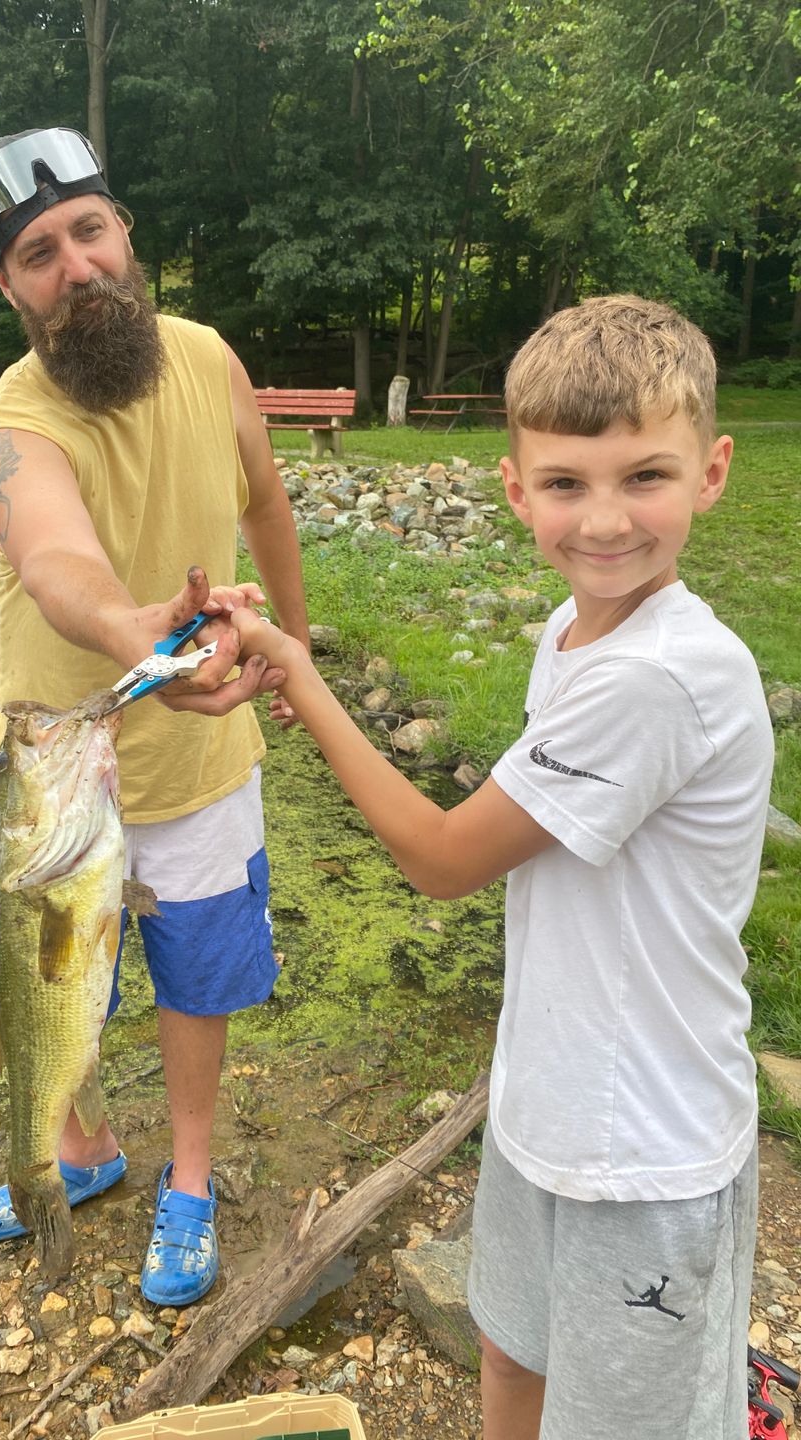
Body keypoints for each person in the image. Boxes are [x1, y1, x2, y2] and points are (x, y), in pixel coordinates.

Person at [230, 295, 773, 1439]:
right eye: (568, 484)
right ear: (517, 488)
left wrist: (303, 678)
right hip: (546, 1107)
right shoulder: (574, 637)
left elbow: (439, 858)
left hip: (648, 1154)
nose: (607, 520)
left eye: (647, 478)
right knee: (514, 1354)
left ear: (713, 473)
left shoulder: (662, 676)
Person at [0, 126, 309, 1308]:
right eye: (39, 252)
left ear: (126, 233)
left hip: (204, 763)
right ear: (10, 286)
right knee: (51, 988)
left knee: (198, 982)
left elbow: (269, 507)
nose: (79, 266)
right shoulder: (10, 424)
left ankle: (192, 1180)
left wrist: (295, 657)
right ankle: (79, 1154)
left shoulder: (211, 361)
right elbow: (56, 561)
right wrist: (141, 638)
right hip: (47, 791)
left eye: (89, 230)